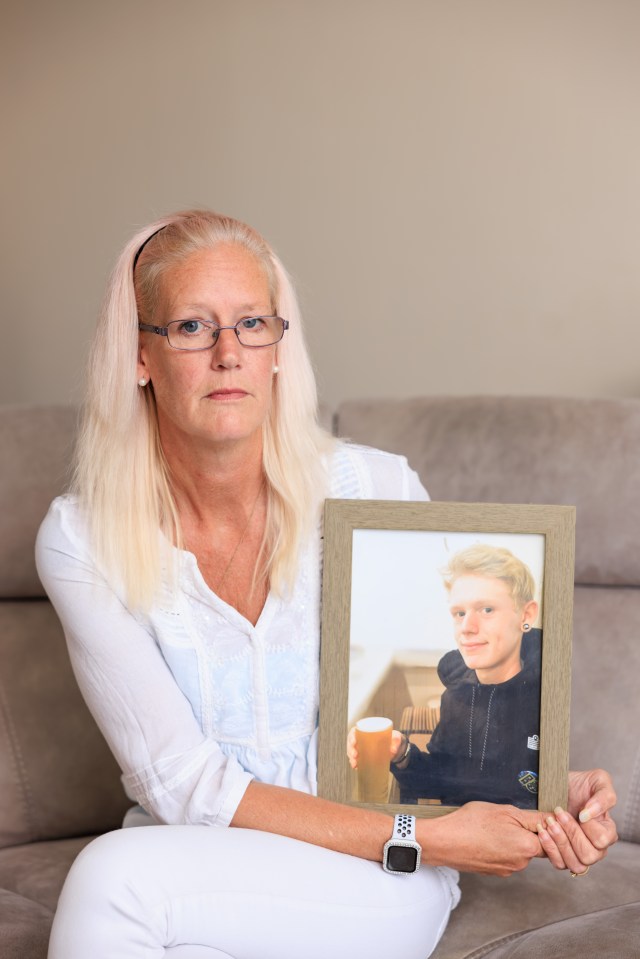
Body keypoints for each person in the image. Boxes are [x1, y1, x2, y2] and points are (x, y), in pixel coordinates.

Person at [36, 210, 617, 959]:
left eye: (251, 323)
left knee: (110, 883)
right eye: (190, 326)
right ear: (140, 354)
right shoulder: (82, 536)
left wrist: (547, 788)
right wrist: (427, 829)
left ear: (279, 347)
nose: (227, 353)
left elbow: (437, 716)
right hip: (203, 856)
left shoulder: (372, 487)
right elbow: (185, 787)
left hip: (384, 867)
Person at [351, 545, 544, 807]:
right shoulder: (456, 696)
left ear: (526, 615)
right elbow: (441, 778)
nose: (467, 627)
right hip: (455, 836)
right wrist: (401, 753)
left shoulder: (546, 697)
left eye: (487, 609)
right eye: (459, 613)